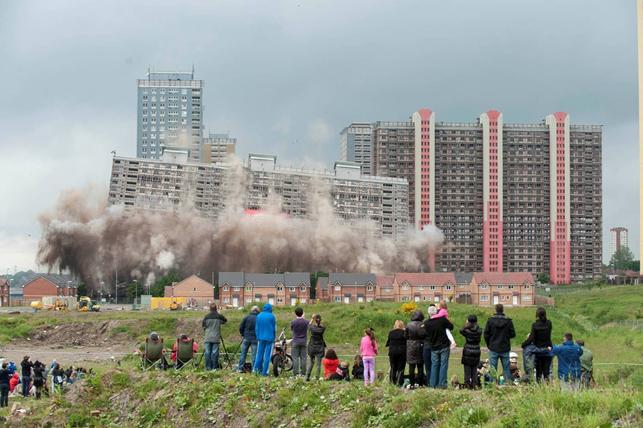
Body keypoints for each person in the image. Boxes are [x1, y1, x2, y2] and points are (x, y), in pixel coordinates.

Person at [483, 304, 516, 383]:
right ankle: (508, 384)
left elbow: (486, 334)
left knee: (493, 369)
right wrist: (506, 336)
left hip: (493, 347)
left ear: (496, 310)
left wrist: (489, 344)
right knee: (506, 369)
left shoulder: (490, 321)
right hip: (505, 347)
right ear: (503, 310)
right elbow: (513, 334)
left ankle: (492, 385)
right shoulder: (508, 321)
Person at [424, 305, 454, 388]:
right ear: (436, 312)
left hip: (433, 346)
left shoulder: (426, 323)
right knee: (443, 365)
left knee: (434, 365)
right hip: (444, 345)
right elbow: (451, 327)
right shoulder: (442, 320)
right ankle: (442, 384)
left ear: (429, 313)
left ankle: (433, 384)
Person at [521, 307, 553, 383]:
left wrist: (523, 344)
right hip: (548, 349)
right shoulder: (549, 323)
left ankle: (539, 389)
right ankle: (547, 388)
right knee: (547, 373)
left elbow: (531, 338)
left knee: (539, 373)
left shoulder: (535, 325)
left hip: (538, 351)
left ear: (537, 314)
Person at [202, 303, 228, 371]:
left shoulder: (206, 316)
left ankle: (208, 367)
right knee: (215, 353)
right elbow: (225, 320)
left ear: (210, 309)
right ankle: (214, 368)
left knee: (207, 353)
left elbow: (204, 326)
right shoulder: (219, 316)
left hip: (207, 337)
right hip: (216, 337)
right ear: (216, 308)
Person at [254, 303, 277, 376]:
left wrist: (257, 336)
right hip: (270, 338)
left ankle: (256, 370)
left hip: (260, 338)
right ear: (270, 309)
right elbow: (274, 328)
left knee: (259, 354)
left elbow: (256, 328)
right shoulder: (272, 316)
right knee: (267, 356)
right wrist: (274, 337)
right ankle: (265, 372)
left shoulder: (258, 316)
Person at [460, 315, 482, 389]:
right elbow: (479, 328)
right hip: (476, 349)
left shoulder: (467, 330)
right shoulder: (479, 330)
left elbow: (461, 330)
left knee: (467, 369)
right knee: (474, 368)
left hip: (468, 350)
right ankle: (474, 384)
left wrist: (466, 325)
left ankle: (467, 384)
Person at [405, 311, 425, 387]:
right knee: (420, 366)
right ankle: (420, 384)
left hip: (410, 345)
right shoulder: (422, 325)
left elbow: (405, 336)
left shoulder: (409, 324)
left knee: (411, 366)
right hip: (420, 345)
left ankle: (412, 384)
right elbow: (424, 334)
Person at [238, 306, 259, 373]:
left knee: (243, 353)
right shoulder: (258, 318)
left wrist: (243, 334)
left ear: (251, 310)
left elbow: (241, 327)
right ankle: (254, 369)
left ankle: (240, 368)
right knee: (254, 355)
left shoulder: (246, 317)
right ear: (258, 311)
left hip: (246, 337)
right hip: (255, 339)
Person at [386, 320, 407, 386]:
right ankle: (400, 382)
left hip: (392, 352)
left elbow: (388, 343)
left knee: (393, 367)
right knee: (401, 368)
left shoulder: (391, 332)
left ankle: (392, 382)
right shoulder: (404, 332)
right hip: (402, 352)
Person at [306, 314, 326, 381]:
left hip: (312, 347)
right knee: (318, 364)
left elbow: (308, 325)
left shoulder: (312, 328)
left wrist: (312, 318)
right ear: (320, 320)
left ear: (315, 321)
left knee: (311, 362)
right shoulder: (322, 329)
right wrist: (318, 320)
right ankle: (317, 378)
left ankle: (307, 377)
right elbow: (322, 325)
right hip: (320, 347)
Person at [290, 307, 309, 377]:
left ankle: (296, 373)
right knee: (303, 358)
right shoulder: (306, 322)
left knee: (295, 358)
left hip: (295, 341)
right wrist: (304, 318)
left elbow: (292, 329)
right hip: (304, 341)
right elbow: (308, 327)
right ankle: (303, 373)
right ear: (302, 313)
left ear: (295, 313)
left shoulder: (293, 322)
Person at [421, 304, 436, 386]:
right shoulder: (438, 322)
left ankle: (429, 383)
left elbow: (421, 333)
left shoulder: (425, 323)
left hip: (427, 345)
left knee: (428, 366)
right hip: (435, 345)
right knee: (436, 366)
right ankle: (435, 383)